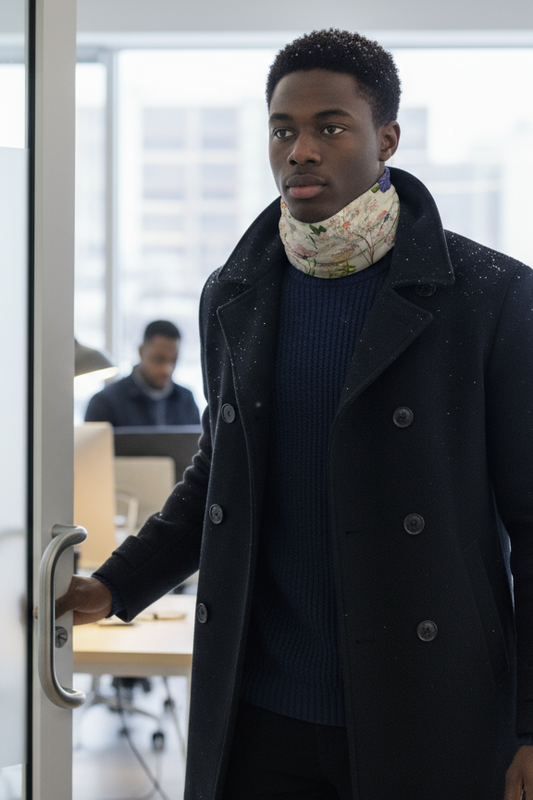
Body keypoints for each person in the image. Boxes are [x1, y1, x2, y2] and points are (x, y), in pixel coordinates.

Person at [57, 29, 533, 800]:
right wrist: (112, 587)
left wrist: (528, 724)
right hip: (258, 711)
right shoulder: (233, 294)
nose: (300, 149)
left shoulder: (489, 296)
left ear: (385, 139)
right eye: (283, 129)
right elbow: (219, 478)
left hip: (424, 707)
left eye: (329, 127)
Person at [85, 319, 200, 427]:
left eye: (173, 361)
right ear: (141, 351)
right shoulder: (105, 402)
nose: (167, 370)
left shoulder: (186, 399)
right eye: (159, 359)